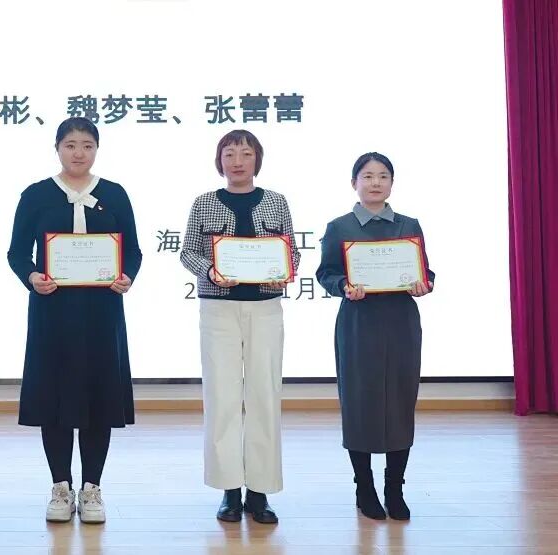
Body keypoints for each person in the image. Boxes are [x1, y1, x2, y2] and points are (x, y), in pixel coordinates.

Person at [7, 117, 142, 524]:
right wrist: (32, 276)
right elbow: (17, 253)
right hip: (53, 311)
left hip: (102, 312)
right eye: (70, 145)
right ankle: (61, 487)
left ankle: (92, 488)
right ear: (57, 149)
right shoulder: (36, 195)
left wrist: (126, 276)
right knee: (55, 399)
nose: (78, 153)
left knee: (99, 399)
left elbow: (132, 251)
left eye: (86, 145)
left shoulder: (115, 194)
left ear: (97, 149)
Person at [179, 129, 300, 524]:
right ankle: (229, 490)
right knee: (222, 397)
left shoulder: (277, 201)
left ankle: (260, 492)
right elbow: (188, 252)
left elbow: (292, 252)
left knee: (265, 395)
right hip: (219, 309)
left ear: (256, 159)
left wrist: (285, 269)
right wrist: (210, 270)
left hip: (265, 308)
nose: (237, 161)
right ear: (220, 160)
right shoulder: (204, 202)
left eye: (245, 153)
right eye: (229, 153)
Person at [315, 152, 434, 521]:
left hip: (400, 322)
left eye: (383, 176)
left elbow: (425, 271)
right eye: (367, 176)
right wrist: (343, 286)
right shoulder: (339, 227)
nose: (376, 183)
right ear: (354, 183)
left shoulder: (408, 225)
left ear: (392, 183)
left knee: (400, 401)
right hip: (358, 323)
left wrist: (424, 283)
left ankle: (394, 489)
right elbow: (326, 273)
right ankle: (364, 487)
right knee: (360, 403)